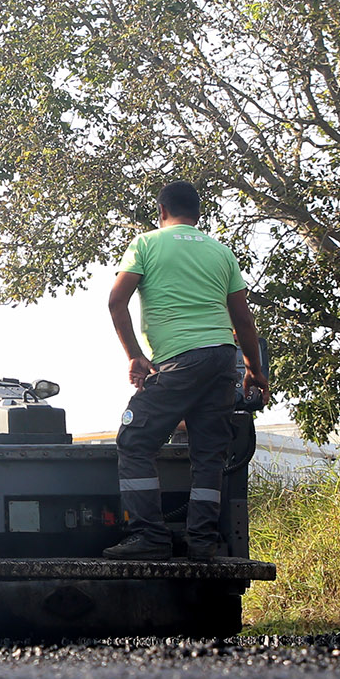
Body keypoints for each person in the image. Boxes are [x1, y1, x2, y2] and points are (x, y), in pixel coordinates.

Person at [103, 180, 268, 561]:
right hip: (222, 359)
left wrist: (134, 355)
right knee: (209, 455)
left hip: (181, 359)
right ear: (198, 215)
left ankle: (149, 536)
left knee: (134, 440)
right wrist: (253, 370)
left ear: (161, 211)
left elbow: (116, 301)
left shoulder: (146, 244)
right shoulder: (221, 252)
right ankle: (202, 543)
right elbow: (242, 319)